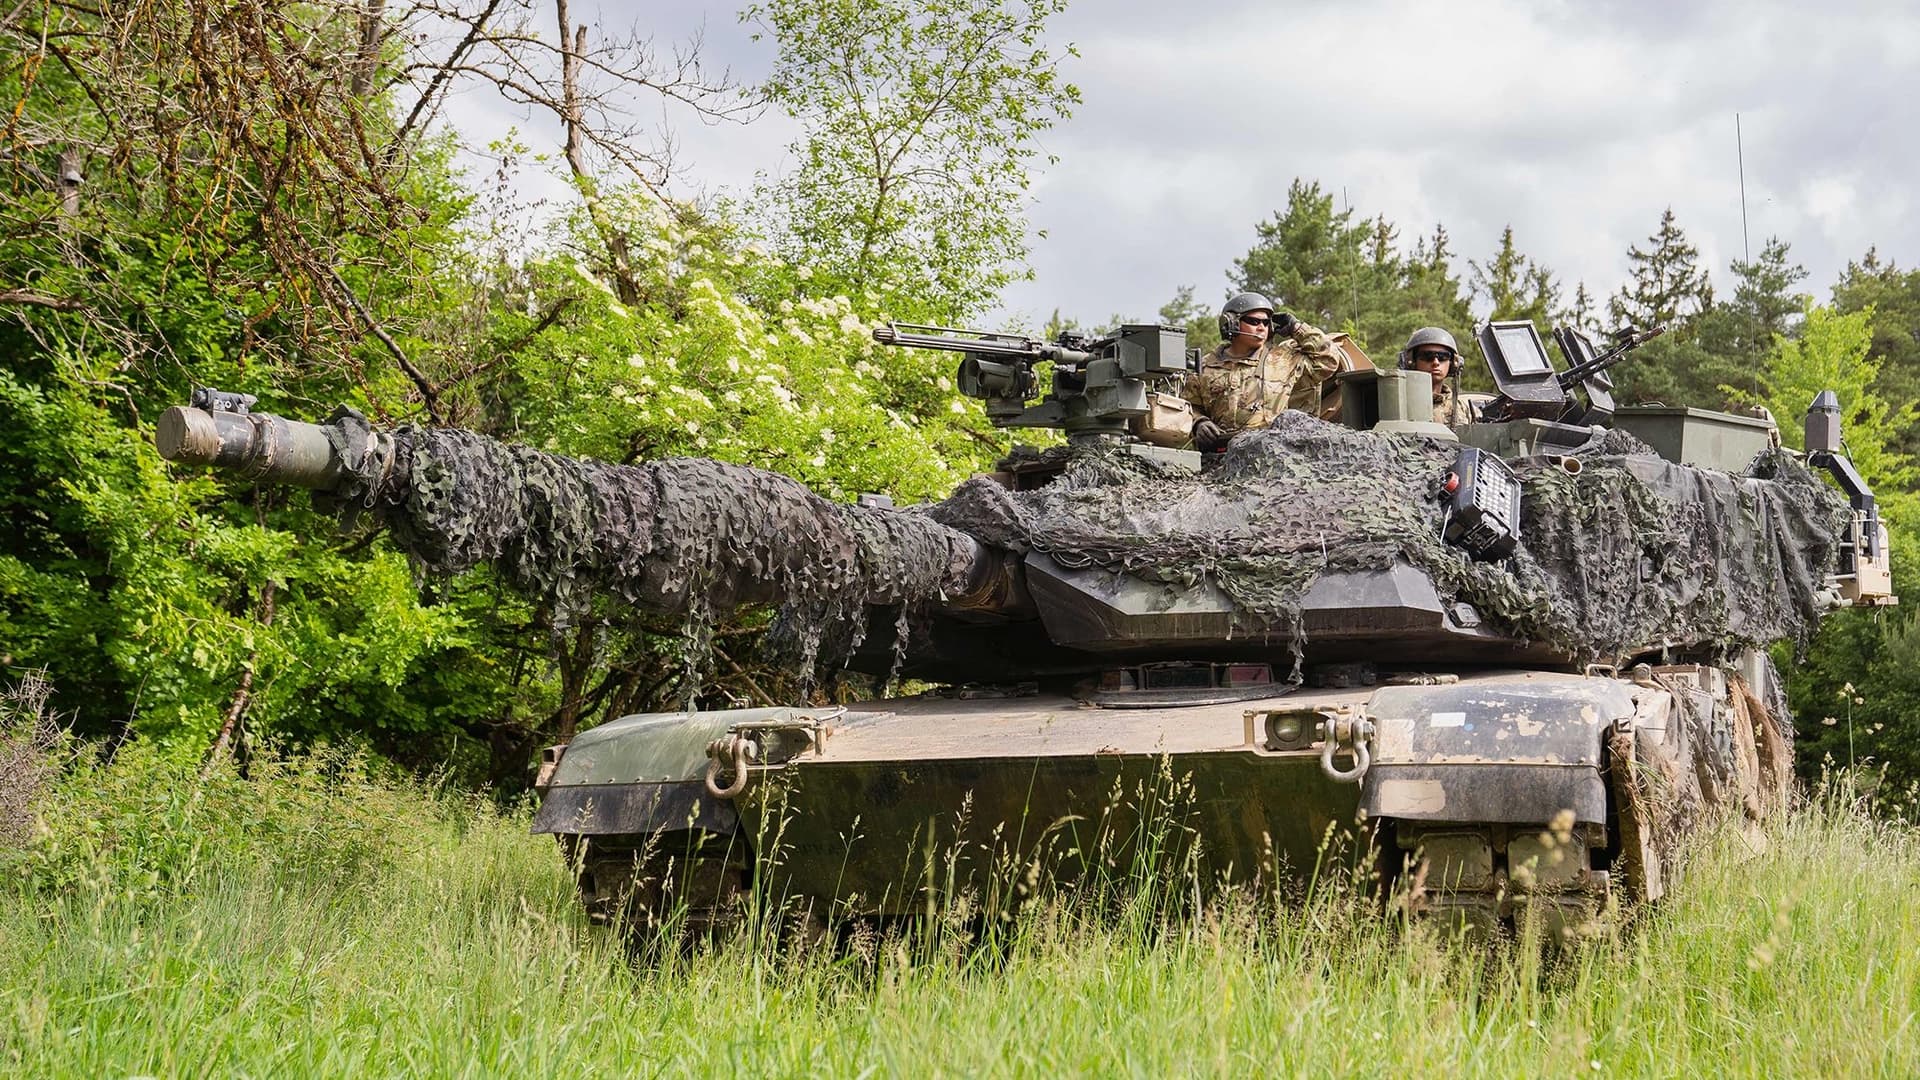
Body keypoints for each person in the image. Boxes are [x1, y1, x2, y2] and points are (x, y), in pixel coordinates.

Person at [1183, 292, 1345, 453]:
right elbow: (1188, 406)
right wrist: (1199, 423)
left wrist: (1297, 328)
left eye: (1266, 323)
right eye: (1253, 321)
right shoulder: (1205, 366)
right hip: (1220, 455)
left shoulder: (1284, 359)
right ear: (1231, 323)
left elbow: (1328, 360)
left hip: (1274, 453)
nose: (1262, 327)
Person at [1399, 326, 1474, 426]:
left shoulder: (1463, 409)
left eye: (1443, 356)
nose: (1435, 362)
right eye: (1427, 356)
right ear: (1411, 361)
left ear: (1454, 363)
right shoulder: (1399, 404)